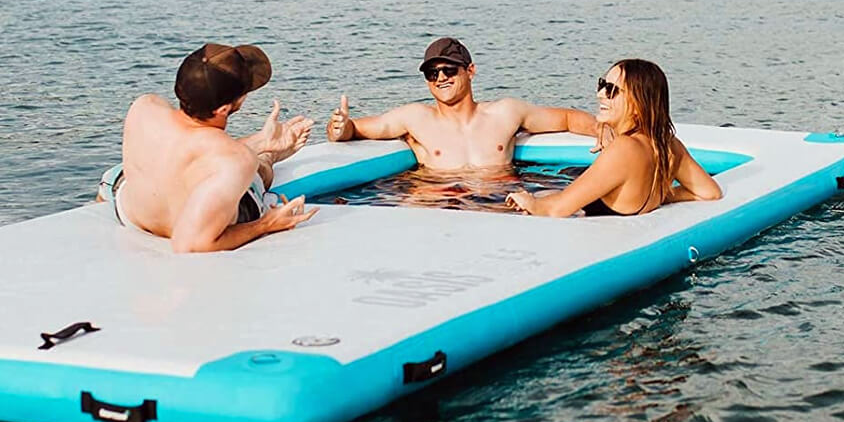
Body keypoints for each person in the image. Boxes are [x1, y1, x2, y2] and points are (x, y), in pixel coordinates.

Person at [99, 43, 316, 252]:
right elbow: (189, 243)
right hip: (189, 229)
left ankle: (264, 144)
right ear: (223, 109)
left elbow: (190, 148)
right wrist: (267, 224)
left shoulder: (145, 107)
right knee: (259, 170)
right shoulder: (237, 160)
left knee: (127, 169)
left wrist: (259, 140)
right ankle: (269, 155)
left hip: (130, 214)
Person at [325, 37, 603, 170]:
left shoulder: (505, 113)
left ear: (470, 71)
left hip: (499, 202)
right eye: (433, 73)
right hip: (440, 202)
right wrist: (339, 128)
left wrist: (600, 129)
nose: (441, 78)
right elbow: (356, 129)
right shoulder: (416, 118)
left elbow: (567, 118)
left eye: (449, 70)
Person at [505, 59, 722, 217]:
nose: (600, 94)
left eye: (612, 90)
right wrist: (664, 195)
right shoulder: (668, 145)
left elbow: (557, 208)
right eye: (602, 84)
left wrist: (530, 202)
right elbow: (709, 192)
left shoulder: (624, 148)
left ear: (638, 103)